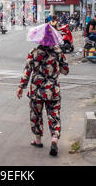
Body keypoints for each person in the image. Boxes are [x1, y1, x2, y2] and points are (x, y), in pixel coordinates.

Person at [17, 23, 69, 157]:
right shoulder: (58, 52)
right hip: (53, 90)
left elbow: (27, 71)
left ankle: (38, 140)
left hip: (37, 90)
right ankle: (54, 138)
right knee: (54, 115)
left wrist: (21, 87)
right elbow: (65, 70)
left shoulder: (34, 53)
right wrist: (57, 67)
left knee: (36, 115)